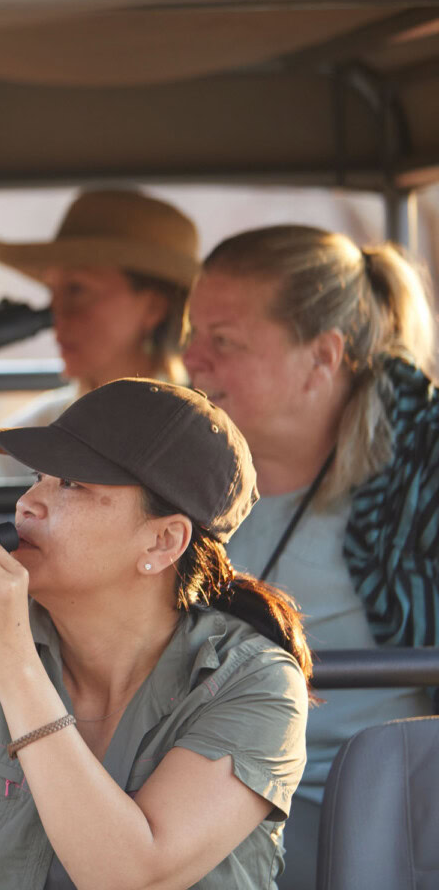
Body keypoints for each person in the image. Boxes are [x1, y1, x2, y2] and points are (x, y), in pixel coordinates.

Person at [0, 378, 310, 890]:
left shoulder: (255, 683)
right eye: (38, 476)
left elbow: (129, 877)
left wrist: (12, 665)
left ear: (164, 541)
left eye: (71, 484)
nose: (28, 503)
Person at [183, 223, 438, 888]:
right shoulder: (171, 476)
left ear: (323, 356)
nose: (193, 360)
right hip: (196, 797)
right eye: (192, 333)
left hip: (385, 820)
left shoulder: (422, 481)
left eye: (224, 341)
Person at [0, 188, 198, 483]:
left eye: (77, 290)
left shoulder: (201, 432)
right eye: (52, 293)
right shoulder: (42, 427)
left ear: (154, 308)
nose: (56, 315)